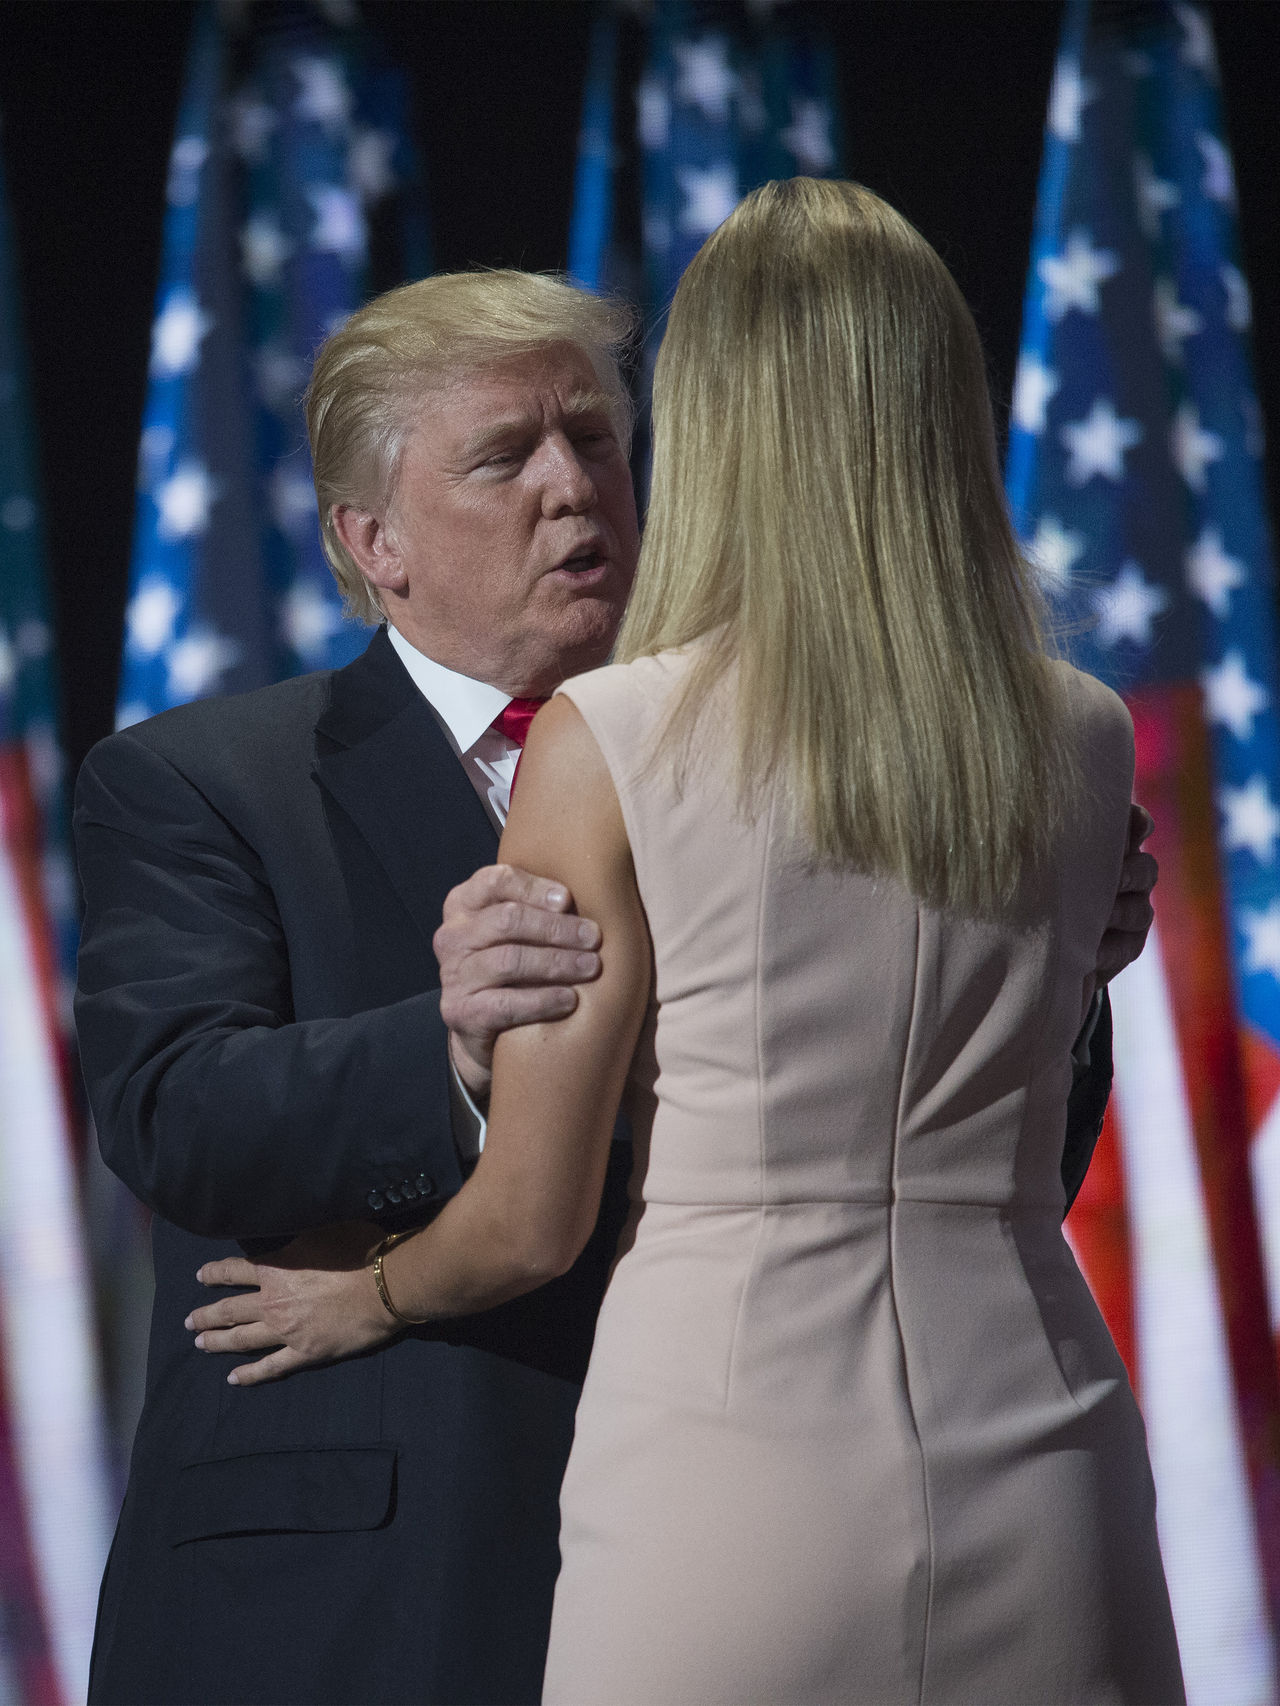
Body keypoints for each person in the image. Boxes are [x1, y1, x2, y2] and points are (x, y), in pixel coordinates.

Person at [187, 182, 1183, 1705]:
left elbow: (531, 1218)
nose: (580, 483)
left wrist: (365, 1297)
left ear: (708, 422)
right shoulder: (1085, 736)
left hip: (735, 1474)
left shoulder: (617, 734)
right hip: (1048, 1444)